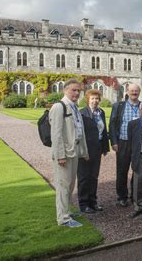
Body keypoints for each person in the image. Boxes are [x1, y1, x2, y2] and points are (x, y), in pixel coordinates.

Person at [49, 79, 89, 227]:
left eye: (79, 90)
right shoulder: (59, 107)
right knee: (63, 186)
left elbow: (79, 131)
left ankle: (67, 212)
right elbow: (56, 134)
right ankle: (63, 219)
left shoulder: (74, 107)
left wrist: (83, 151)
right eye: (74, 90)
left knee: (70, 185)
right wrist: (60, 155)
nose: (77, 93)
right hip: (64, 154)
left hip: (74, 151)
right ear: (65, 90)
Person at [109, 83, 141, 207]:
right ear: (127, 92)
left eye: (136, 91)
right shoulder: (119, 106)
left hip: (138, 143)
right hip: (123, 141)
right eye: (132, 91)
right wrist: (114, 142)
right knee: (122, 170)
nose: (134, 93)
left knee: (137, 170)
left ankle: (135, 196)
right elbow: (112, 124)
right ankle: (122, 197)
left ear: (139, 92)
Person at [78, 89, 109, 214]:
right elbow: (80, 134)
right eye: (92, 98)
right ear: (88, 99)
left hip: (97, 149)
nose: (95, 101)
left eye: (97, 98)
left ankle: (93, 202)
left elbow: (103, 131)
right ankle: (83, 204)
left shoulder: (100, 112)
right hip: (85, 150)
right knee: (84, 177)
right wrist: (82, 151)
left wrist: (105, 148)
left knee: (94, 177)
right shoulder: (82, 113)